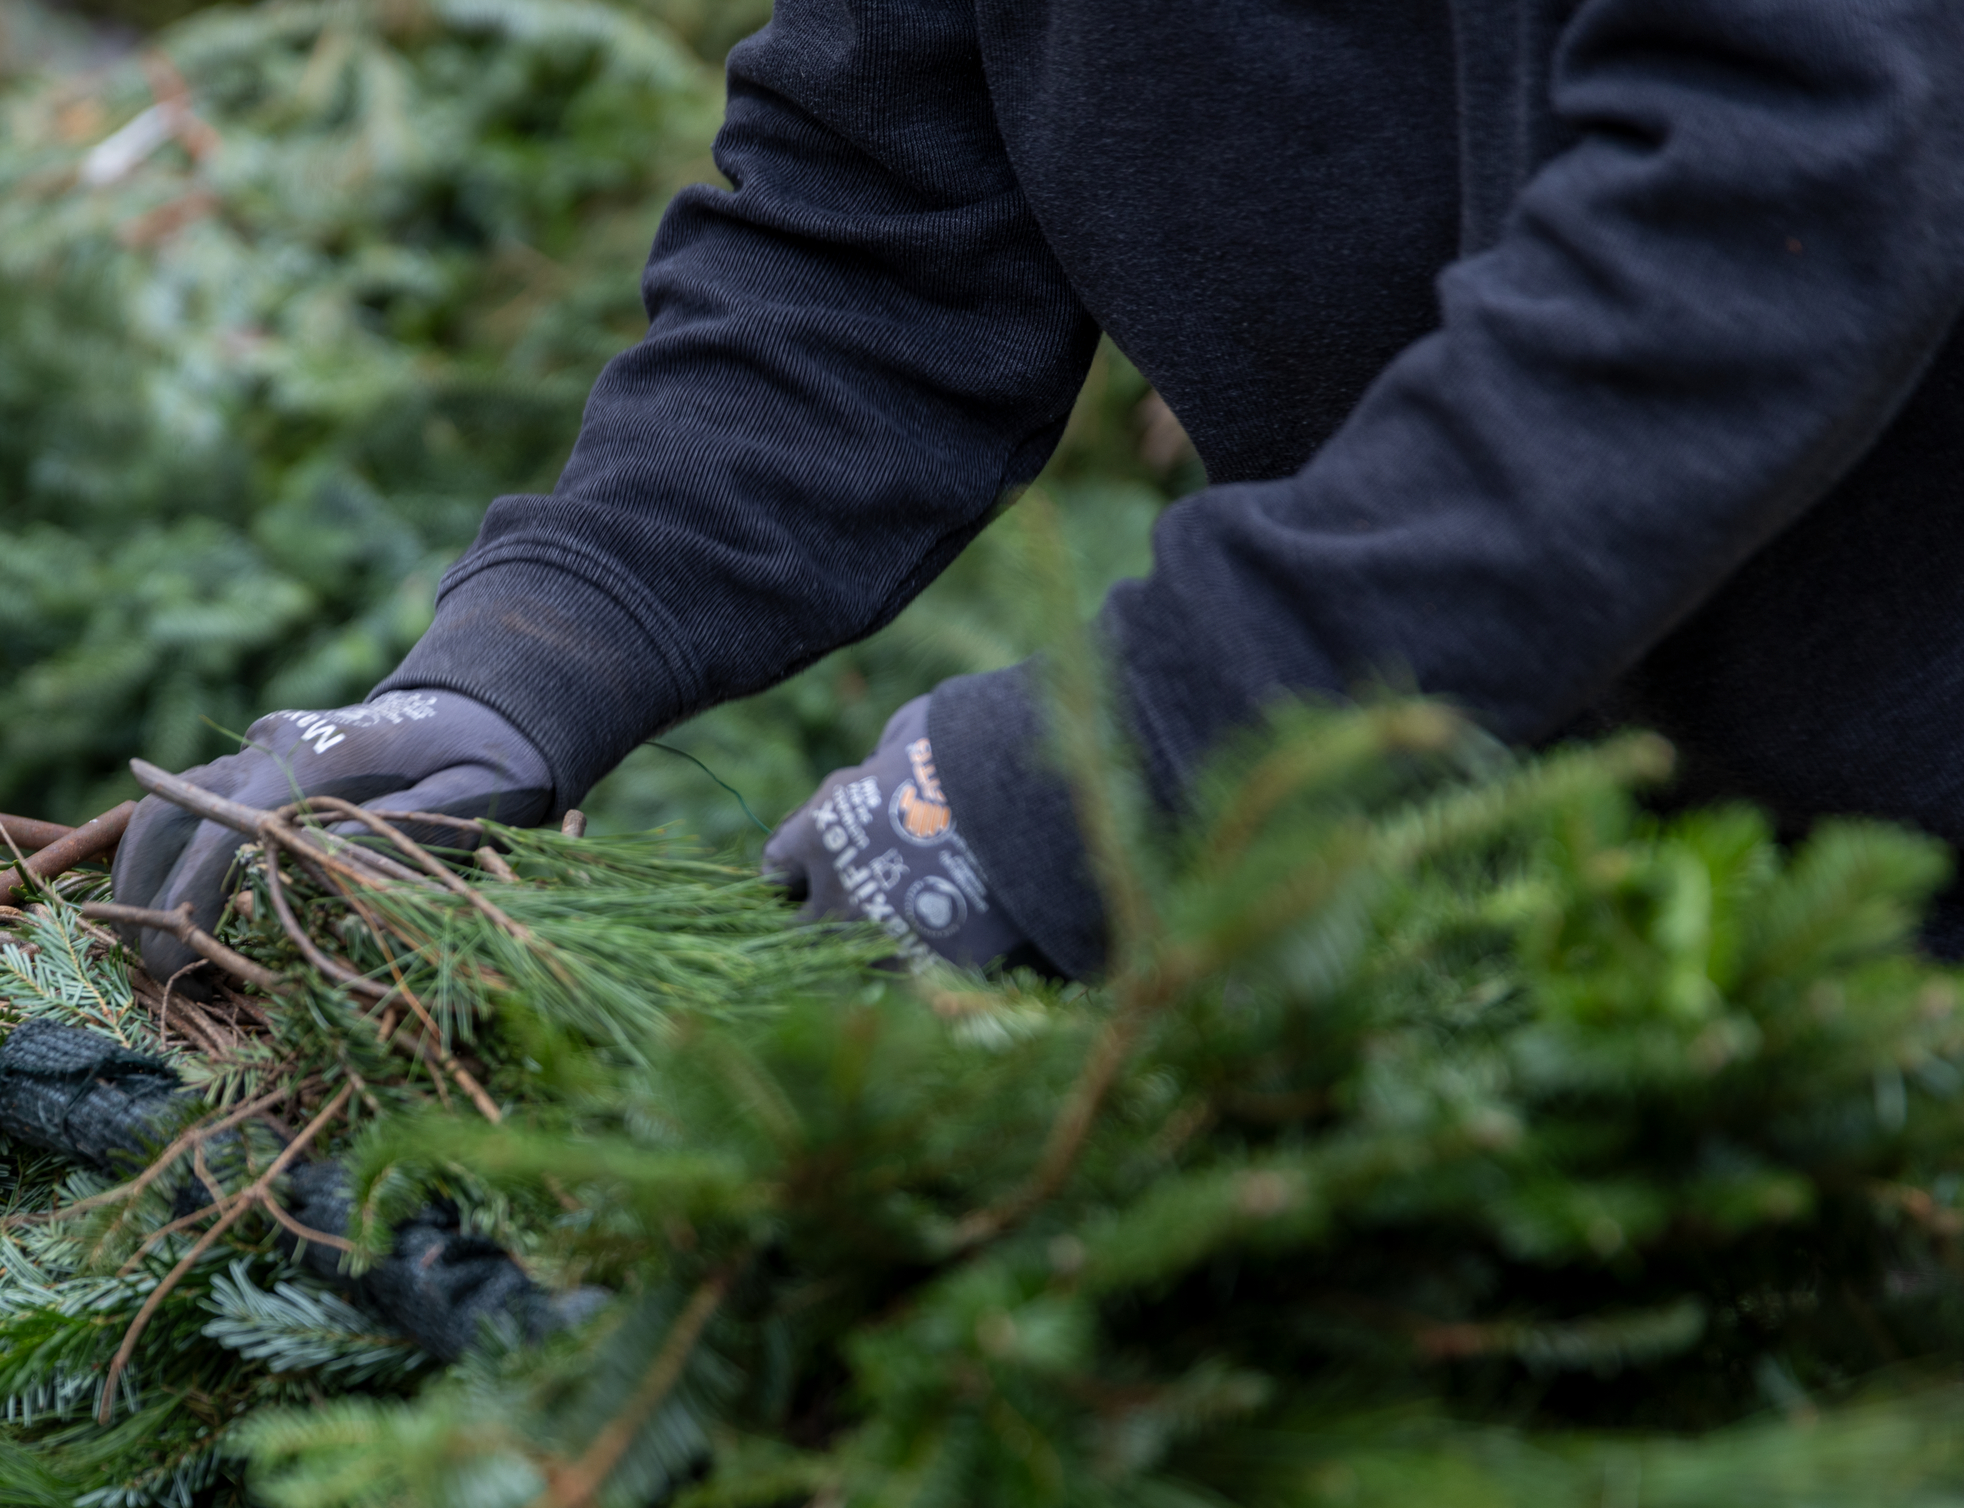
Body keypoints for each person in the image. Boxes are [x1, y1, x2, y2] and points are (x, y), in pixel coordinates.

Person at [116, 0, 1964, 982]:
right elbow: (873, 237)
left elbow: (1765, 218)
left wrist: (1145, 741)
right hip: (1525, 876)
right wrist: (535, 648)